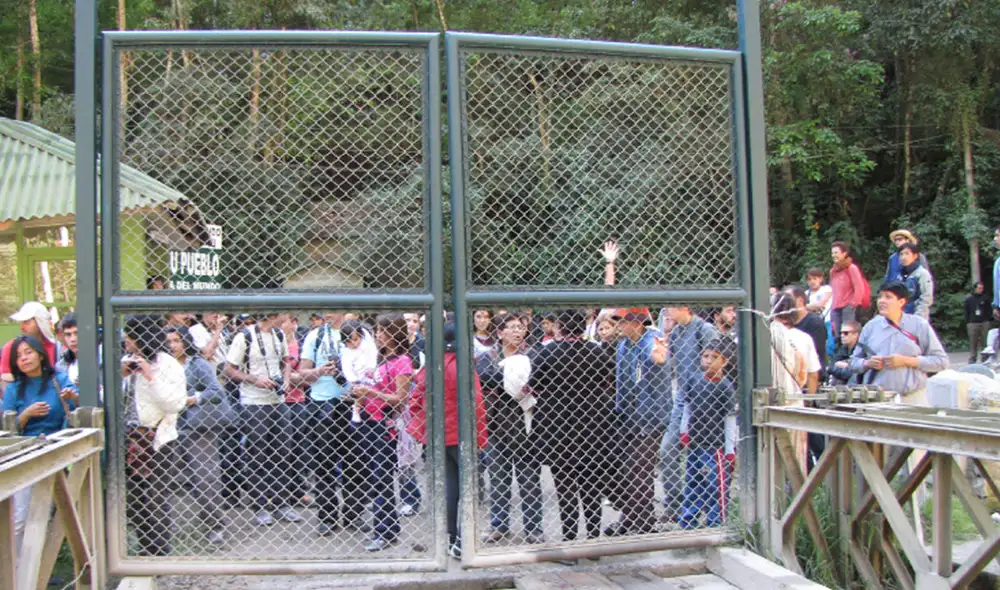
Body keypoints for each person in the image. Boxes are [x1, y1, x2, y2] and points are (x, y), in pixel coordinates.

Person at [530, 309, 616, 542]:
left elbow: (533, 385)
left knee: (565, 484)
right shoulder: (596, 353)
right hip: (593, 427)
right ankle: (592, 537)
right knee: (592, 484)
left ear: (560, 327)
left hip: (558, 428)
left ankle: (569, 538)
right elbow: (610, 381)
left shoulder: (549, 353)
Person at [407, 321, 488, 558]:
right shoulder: (464, 366)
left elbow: (415, 401)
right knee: (468, 488)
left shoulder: (431, 367)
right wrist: (481, 438)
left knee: (450, 487)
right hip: (463, 435)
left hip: (437, 435)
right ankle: (462, 541)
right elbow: (477, 404)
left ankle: (452, 536)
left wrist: (423, 429)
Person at [224, 313, 300, 527]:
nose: (287, 317)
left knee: (283, 451)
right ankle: (260, 506)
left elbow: (286, 361)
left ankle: (281, 503)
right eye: (284, 314)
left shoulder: (278, 335)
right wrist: (254, 380)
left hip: (278, 400)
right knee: (257, 454)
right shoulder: (245, 337)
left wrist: (285, 380)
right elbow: (229, 369)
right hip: (254, 402)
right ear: (273, 314)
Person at [4, 335, 78, 552]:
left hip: (55, 453)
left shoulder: (59, 379)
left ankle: (38, 569)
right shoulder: (13, 389)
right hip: (23, 457)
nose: (24, 358)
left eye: (28, 352)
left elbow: (81, 408)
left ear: (40, 354)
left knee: (44, 514)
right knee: (20, 518)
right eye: (18, 356)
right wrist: (25, 415)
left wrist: (72, 397)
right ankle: (15, 572)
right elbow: (7, 429)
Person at [122, 314, 187, 556]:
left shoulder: (168, 365)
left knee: (155, 498)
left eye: (130, 339)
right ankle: (144, 547)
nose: (126, 343)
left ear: (141, 339)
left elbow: (175, 404)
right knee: (137, 498)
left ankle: (159, 551)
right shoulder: (128, 361)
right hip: (130, 438)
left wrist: (151, 376)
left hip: (158, 440)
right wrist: (122, 375)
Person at [476, 313, 544, 544]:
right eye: (511, 327)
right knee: (498, 478)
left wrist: (505, 379)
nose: (517, 331)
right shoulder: (488, 357)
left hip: (526, 427)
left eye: (520, 327)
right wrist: (511, 378)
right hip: (496, 426)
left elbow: (536, 380)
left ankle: (534, 528)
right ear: (499, 332)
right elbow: (484, 377)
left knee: (529, 480)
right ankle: (499, 524)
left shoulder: (533, 355)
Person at [347, 314, 413, 552]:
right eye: (376, 332)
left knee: (381, 478)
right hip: (368, 422)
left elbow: (400, 399)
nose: (377, 336)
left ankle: (383, 530)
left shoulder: (402, 362)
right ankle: (389, 527)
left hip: (384, 426)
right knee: (374, 477)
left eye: (382, 332)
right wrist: (360, 393)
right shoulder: (382, 360)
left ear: (394, 333)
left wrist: (372, 393)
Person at [298, 312, 366, 537]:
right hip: (322, 404)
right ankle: (327, 516)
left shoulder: (359, 333)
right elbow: (301, 373)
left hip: (352, 403)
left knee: (355, 463)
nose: (327, 313)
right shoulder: (315, 336)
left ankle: (352, 514)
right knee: (323, 464)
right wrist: (318, 371)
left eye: (333, 308)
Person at [166, 325, 235, 546]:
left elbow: (215, 391)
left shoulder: (198, 365)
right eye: (169, 342)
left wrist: (191, 399)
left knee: (206, 477)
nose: (173, 345)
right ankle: (166, 526)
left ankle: (215, 525)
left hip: (198, 428)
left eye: (177, 340)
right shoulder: (161, 366)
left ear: (185, 342)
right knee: (164, 478)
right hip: (168, 426)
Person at [605, 308, 672, 535]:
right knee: (628, 471)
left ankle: (641, 523)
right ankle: (634, 518)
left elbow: (658, 358)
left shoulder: (650, 340)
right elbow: (621, 382)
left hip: (650, 417)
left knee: (639, 471)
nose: (618, 326)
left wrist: (658, 357)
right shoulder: (624, 345)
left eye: (622, 321)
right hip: (628, 416)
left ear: (636, 323)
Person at [660, 306, 717, 524]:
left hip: (703, 399)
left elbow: (715, 362)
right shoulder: (676, 332)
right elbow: (671, 365)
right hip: (683, 398)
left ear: (684, 307)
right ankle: (675, 504)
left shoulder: (704, 330)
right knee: (667, 450)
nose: (667, 312)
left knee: (702, 458)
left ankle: (707, 507)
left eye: (671, 307)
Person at [848, 281, 949, 404]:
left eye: (888, 297)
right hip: (878, 400)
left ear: (901, 302)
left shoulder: (919, 325)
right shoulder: (870, 327)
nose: (881, 301)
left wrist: (907, 361)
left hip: (913, 397)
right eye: (880, 297)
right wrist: (868, 363)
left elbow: (941, 362)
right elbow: (853, 362)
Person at [678, 339, 737, 530]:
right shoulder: (694, 380)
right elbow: (687, 407)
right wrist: (684, 431)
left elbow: (729, 419)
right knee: (692, 481)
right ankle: (688, 519)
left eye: (714, 357)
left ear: (725, 361)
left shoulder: (725, 387)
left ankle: (715, 521)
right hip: (695, 441)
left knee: (715, 484)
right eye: (705, 356)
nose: (708, 360)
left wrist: (729, 448)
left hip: (715, 445)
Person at [769, 293, 822, 471]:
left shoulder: (764, 335)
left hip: (769, 400)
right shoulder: (804, 338)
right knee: (797, 455)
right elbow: (813, 374)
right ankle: (799, 493)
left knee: (771, 454)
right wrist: (809, 400)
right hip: (794, 399)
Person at [278, 314, 313, 508]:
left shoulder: (300, 345)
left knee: (300, 449)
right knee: (282, 449)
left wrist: (290, 376)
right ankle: (281, 493)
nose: (281, 325)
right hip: (280, 401)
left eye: (285, 321)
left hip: (298, 400)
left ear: (293, 323)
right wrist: (294, 375)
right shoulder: (274, 344)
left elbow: (307, 376)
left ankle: (298, 491)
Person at [1, 302, 57, 383]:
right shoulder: (10, 347)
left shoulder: (57, 348)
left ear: (40, 322)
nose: (22, 327)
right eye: (21, 322)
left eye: (26, 322)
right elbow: (5, 382)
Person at [829, 241, 868, 338]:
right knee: (837, 334)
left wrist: (853, 304)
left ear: (844, 253)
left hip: (848, 306)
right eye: (832, 253)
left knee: (848, 334)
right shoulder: (833, 271)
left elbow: (859, 287)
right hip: (836, 307)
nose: (834, 255)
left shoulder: (851, 268)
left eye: (836, 252)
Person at [892, 242, 934, 320]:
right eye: (901, 254)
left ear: (915, 256)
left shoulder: (922, 274)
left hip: (917, 317)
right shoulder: (899, 275)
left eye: (907, 254)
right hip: (900, 317)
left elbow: (926, 298)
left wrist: (917, 318)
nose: (903, 257)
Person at [805, 268, 834, 356]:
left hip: (828, 321)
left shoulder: (826, 289)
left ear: (820, 279)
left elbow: (820, 304)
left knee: (830, 344)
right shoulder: (806, 293)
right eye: (809, 279)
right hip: (814, 324)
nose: (812, 282)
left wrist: (807, 306)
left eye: (815, 278)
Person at [828, 320, 862, 385]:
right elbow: (830, 367)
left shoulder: (862, 350)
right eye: (841, 333)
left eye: (846, 333)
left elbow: (851, 373)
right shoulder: (843, 348)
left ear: (856, 334)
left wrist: (846, 366)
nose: (842, 335)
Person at [966, 282, 992, 364]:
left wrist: (987, 319)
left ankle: (985, 357)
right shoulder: (969, 299)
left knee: (984, 341)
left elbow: (989, 310)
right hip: (973, 323)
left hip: (984, 322)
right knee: (973, 341)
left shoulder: (986, 298)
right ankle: (972, 358)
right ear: (975, 289)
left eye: (982, 288)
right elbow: (966, 311)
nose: (981, 290)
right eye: (979, 288)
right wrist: (968, 321)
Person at [56, 312, 80, 387]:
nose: (73, 339)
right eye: (68, 335)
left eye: (77, 333)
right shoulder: (60, 366)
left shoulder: (102, 359)